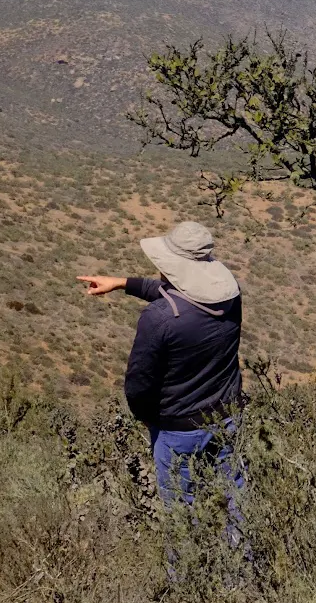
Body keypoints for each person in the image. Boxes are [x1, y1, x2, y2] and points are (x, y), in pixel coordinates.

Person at [77, 221, 246, 525]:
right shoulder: (229, 297)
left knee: (183, 520)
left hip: (178, 430)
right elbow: (180, 293)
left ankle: (190, 559)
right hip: (227, 418)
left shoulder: (161, 318)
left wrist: (146, 418)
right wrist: (122, 283)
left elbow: (138, 383)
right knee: (235, 505)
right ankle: (240, 555)